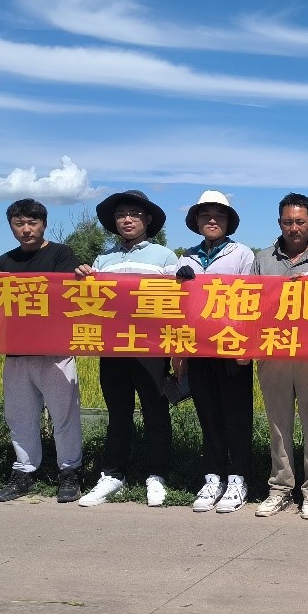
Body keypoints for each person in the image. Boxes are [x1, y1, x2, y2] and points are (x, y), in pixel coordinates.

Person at [75, 190, 179, 508]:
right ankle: (112, 475)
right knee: (117, 413)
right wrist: (82, 279)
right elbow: (90, 303)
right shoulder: (102, 260)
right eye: (121, 214)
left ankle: (157, 475)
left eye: (134, 213)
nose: (127, 219)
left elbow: (179, 303)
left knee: (155, 412)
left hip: (151, 347)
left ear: (148, 220)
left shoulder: (165, 257)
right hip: (113, 346)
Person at [0, 198, 84, 503]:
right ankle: (24, 472)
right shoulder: (3, 262)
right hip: (16, 353)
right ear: (11, 227)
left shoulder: (61, 255)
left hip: (55, 351)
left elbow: (68, 297)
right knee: (19, 417)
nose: (26, 229)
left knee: (64, 415)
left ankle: (70, 471)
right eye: (19, 224)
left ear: (44, 224)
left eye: (32, 223)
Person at [253, 192, 308, 520]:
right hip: (272, 349)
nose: (294, 228)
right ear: (279, 223)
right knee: (278, 424)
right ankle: (280, 488)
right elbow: (250, 305)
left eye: (300, 222)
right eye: (288, 222)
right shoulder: (262, 260)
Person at [175, 191, 257, 513]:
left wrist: (246, 345)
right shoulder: (186, 257)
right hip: (197, 347)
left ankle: (239, 477)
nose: (212, 220)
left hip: (231, 346)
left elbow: (251, 300)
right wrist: (179, 352)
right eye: (205, 215)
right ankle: (213, 476)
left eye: (219, 215)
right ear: (196, 221)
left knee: (236, 416)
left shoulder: (242, 254)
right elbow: (178, 308)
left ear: (228, 221)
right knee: (207, 415)